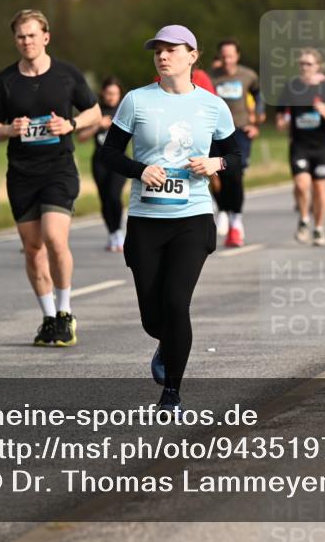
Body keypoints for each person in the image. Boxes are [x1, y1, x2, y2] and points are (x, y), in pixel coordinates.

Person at [100, 24, 240, 413]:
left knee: (177, 303)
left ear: (192, 56)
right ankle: (166, 343)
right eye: (157, 50)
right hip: (145, 220)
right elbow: (108, 154)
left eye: (171, 50)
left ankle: (172, 394)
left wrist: (217, 162)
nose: (162, 56)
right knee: (153, 316)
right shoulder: (136, 101)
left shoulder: (212, 106)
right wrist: (138, 169)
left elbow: (237, 153)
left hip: (192, 218)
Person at [0, 9, 102, 347]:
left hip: (58, 168)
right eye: (21, 36)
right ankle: (49, 317)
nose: (27, 41)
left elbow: (93, 110)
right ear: (15, 41)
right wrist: (9, 129)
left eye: (32, 35)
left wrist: (72, 125)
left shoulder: (66, 75)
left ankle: (66, 312)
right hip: (21, 173)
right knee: (32, 248)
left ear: (46, 37)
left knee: (54, 237)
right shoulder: (5, 81)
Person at [276, 48, 325, 246]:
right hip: (299, 145)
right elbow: (279, 110)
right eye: (302, 63)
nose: (305, 67)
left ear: (318, 66)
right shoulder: (292, 86)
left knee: (319, 188)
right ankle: (304, 220)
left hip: (320, 146)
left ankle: (318, 228)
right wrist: (281, 121)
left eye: (309, 64)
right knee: (302, 185)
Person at [208, 39, 261, 247]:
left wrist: (257, 119)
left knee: (235, 174)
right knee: (215, 175)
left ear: (237, 56)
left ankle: (236, 221)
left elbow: (258, 95)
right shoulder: (211, 77)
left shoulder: (248, 75)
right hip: (212, 133)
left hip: (238, 131)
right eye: (223, 56)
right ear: (219, 57)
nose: (227, 60)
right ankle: (222, 209)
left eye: (230, 56)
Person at [77, 76, 127, 252]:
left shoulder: (125, 111)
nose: (111, 97)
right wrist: (97, 125)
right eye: (108, 93)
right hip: (99, 160)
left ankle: (119, 232)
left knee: (114, 196)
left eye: (115, 93)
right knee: (105, 199)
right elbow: (81, 137)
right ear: (103, 94)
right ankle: (112, 233)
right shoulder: (96, 111)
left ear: (120, 94)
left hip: (119, 160)